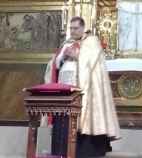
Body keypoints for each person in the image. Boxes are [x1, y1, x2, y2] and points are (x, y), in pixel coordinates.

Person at [44, 16, 120, 158]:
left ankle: (84, 152)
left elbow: (93, 60)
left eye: (75, 28)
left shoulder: (92, 41)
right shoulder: (67, 42)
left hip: (85, 92)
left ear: (83, 28)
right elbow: (54, 64)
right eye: (71, 28)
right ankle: (62, 151)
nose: (72, 31)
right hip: (65, 90)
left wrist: (77, 54)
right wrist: (60, 58)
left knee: (82, 122)